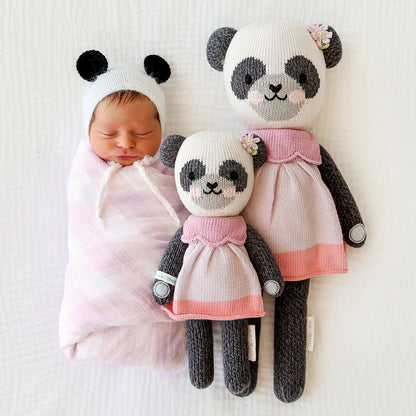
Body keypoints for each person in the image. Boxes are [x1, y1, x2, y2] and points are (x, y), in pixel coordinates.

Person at [59, 50, 188, 373]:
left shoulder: (171, 171)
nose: (126, 143)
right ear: (89, 132)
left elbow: (190, 218)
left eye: (142, 133)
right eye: (108, 134)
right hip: (100, 290)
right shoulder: (86, 174)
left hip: (162, 294)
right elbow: (83, 231)